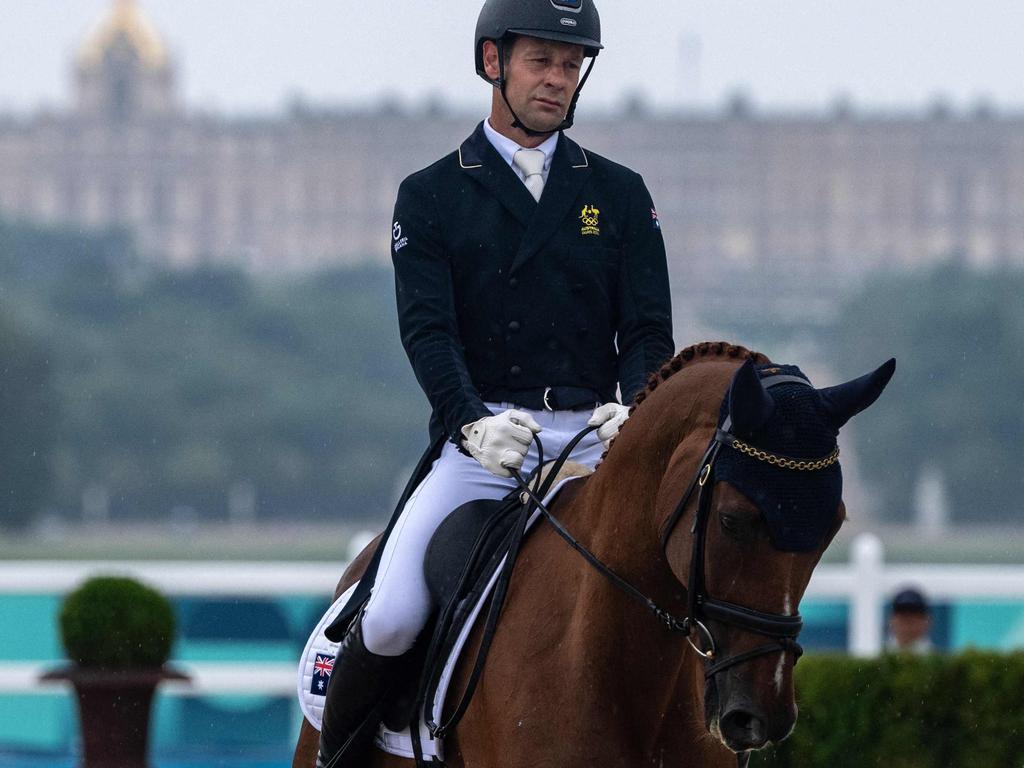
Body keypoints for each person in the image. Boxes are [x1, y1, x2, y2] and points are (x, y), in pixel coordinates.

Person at [317, 0, 674, 764]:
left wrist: (634, 407)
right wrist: (470, 421)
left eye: (571, 66)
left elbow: (645, 330)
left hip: (595, 442)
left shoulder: (619, 193)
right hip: (483, 447)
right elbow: (430, 333)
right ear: (493, 63)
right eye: (541, 61)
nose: (557, 80)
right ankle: (336, 756)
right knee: (388, 618)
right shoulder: (432, 194)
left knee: (684, 586)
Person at [886, 586, 933, 653]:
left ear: (927, 621)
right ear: (891, 620)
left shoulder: (938, 661)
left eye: (914, 617)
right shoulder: (877, 659)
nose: (907, 623)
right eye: (902, 617)